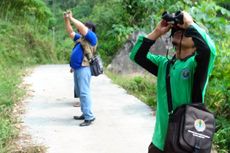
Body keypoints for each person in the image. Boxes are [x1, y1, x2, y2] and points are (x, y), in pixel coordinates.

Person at [130, 11, 216, 153]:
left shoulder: (196, 65)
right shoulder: (164, 65)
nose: (180, 31)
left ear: (196, 44)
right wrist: (157, 31)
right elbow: (137, 54)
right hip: (159, 142)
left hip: (185, 143)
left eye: (186, 31)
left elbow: (208, 51)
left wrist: (190, 24)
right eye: (176, 29)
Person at [64, 10, 97, 126]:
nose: (82, 29)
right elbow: (70, 32)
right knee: (80, 92)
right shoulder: (81, 39)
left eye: (85, 28)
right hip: (78, 69)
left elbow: (81, 27)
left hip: (84, 69)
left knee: (84, 93)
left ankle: (89, 117)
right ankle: (85, 113)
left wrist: (72, 18)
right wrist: (67, 20)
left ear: (90, 30)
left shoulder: (92, 38)